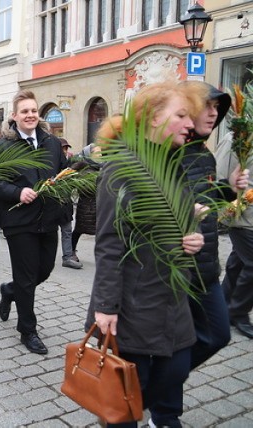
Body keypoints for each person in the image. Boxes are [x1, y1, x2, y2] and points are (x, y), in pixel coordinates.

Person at [87, 81, 206, 428]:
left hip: (171, 296)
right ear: (153, 117)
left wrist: (191, 237)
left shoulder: (171, 162)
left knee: (177, 368)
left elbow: (178, 218)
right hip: (134, 303)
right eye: (182, 115)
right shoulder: (121, 167)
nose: (190, 124)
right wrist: (106, 305)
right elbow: (109, 241)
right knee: (125, 402)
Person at [147, 82, 250, 427]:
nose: (213, 113)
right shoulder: (168, 150)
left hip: (204, 268)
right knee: (176, 348)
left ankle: (153, 389)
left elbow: (204, 200)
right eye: (206, 105)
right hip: (177, 272)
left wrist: (227, 187)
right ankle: (163, 413)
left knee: (217, 335)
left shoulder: (203, 152)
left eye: (217, 108)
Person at [0, 90, 68, 355]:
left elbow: (64, 173)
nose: (30, 115)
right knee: (26, 277)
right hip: (19, 220)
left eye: (34, 110)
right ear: (14, 116)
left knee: (43, 271)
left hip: (48, 218)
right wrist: (17, 192)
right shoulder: (1, 147)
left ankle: (9, 291)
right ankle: (28, 330)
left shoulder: (52, 143)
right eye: (25, 111)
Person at [217, 102, 253, 339]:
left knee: (238, 262)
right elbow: (221, 177)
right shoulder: (236, 139)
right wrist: (225, 209)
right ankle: (237, 311)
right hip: (242, 215)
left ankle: (223, 304)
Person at [70, 143, 102, 263]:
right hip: (86, 206)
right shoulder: (83, 168)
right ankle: (71, 251)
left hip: (99, 205)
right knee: (79, 230)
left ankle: (102, 256)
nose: (99, 155)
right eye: (96, 152)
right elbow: (82, 187)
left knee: (101, 232)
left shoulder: (100, 167)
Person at [57, 138, 83, 269]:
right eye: (63, 148)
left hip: (66, 203)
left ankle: (67, 256)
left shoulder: (71, 163)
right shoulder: (51, 162)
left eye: (66, 148)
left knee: (67, 230)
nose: (65, 150)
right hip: (53, 202)